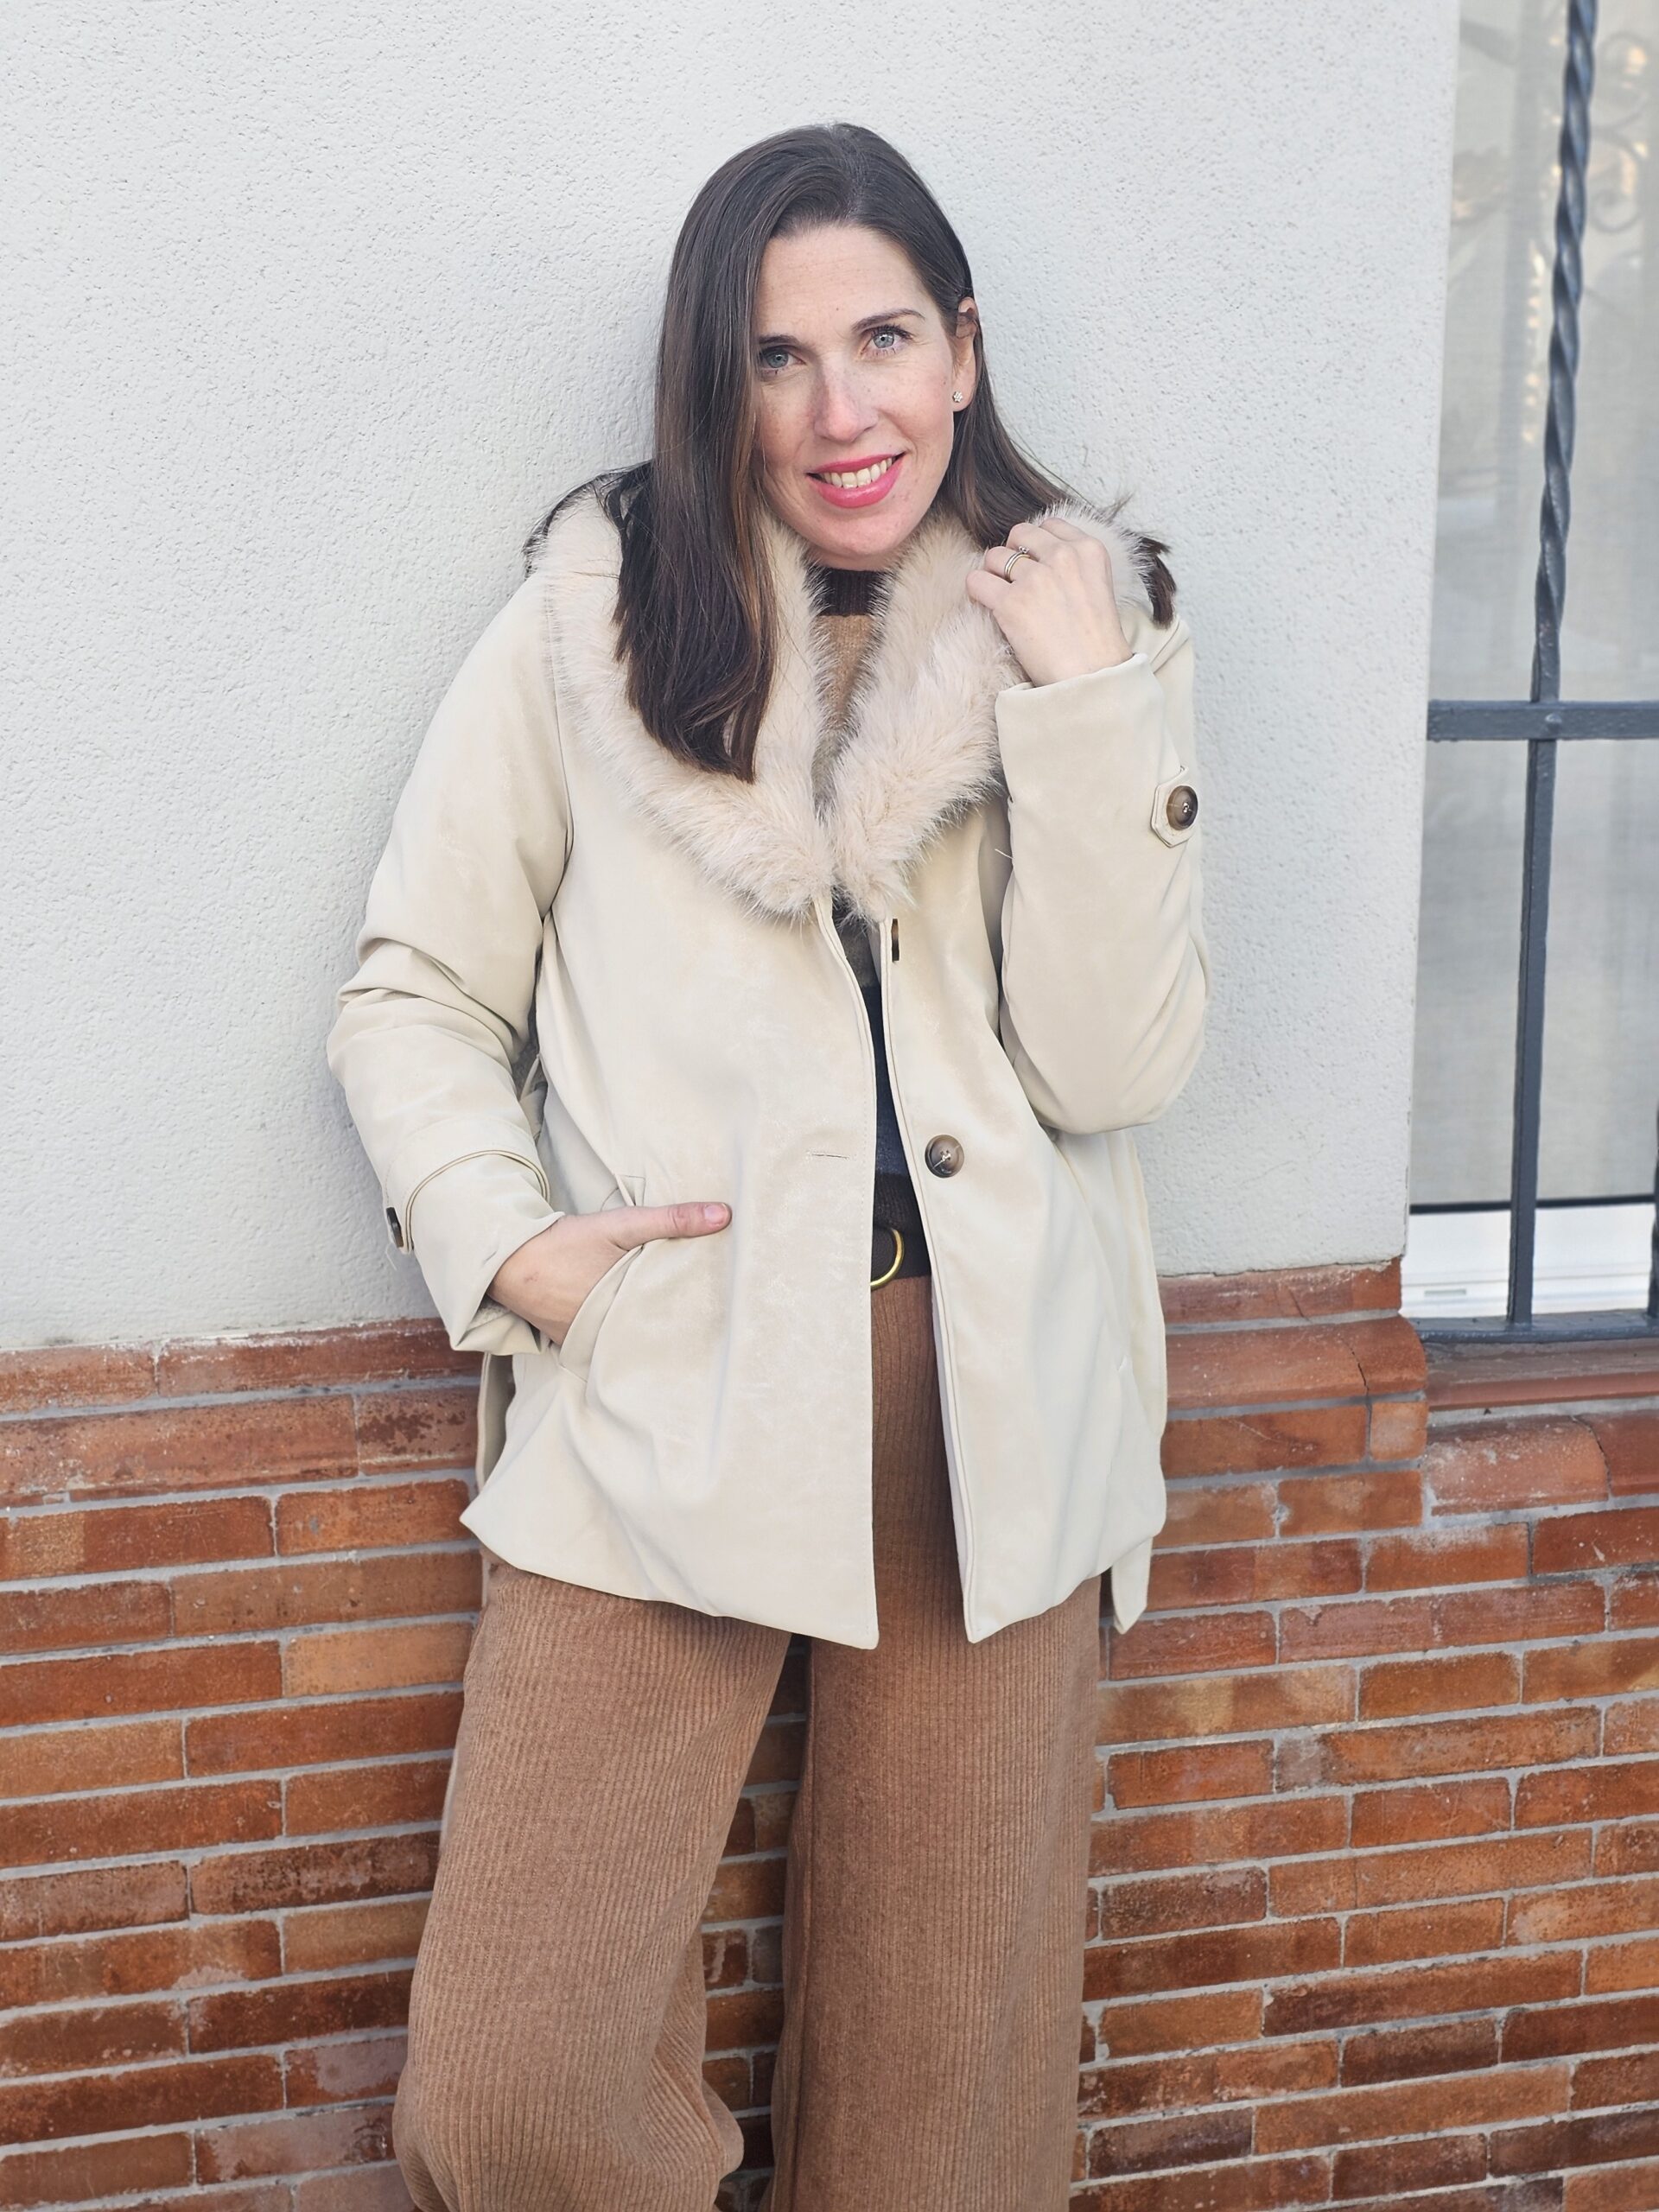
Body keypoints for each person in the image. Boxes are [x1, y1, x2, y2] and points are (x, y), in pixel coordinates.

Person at [325, 118, 1206, 2212]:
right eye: (776, 356)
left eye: (882, 339)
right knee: (512, 2085)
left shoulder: (1084, 625)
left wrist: (1091, 708)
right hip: (682, 1360)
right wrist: (519, 1249)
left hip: (992, 1404)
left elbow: (1112, 1064)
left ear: (963, 347)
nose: (839, 411)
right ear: (711, 383)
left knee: (942, 2128)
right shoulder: (594, 627)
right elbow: (411, 991)